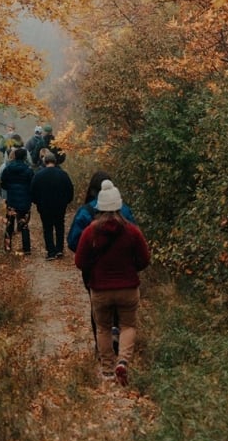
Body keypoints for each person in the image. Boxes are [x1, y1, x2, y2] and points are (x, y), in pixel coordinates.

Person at [74, 180, 150, 386]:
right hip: (128, 288)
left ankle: (107, 369)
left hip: (100, 289)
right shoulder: (132, 231)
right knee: (128, 325)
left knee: (103, 328)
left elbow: (79, 261)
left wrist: (94, 271)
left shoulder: (90, 232)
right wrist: (131, 269)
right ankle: (123, 361)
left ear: (99, 206)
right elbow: (145, 259)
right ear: (118, 205)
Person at [66, 169, 136, 254]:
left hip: (93, 264)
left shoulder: (85, 211)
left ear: (92, 190)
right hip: (123, 263)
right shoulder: (125, 210)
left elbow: (73, 242)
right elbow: (134, 237)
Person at [29, 149, 75, 259]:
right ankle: (59, 249)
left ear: (45, 162)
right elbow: (70, 189)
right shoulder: (63, 174)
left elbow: (32, 191)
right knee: (60, 226)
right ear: (55, 162)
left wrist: (37, 202)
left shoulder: (38, 175)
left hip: (44, 206)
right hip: (60, 205)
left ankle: (51, 251)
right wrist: (67, 201)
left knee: (47, 227)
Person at [0, 147, 34, 254]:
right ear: (24, 157)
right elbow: (32, 185)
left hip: (12, 199)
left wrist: (9, 188)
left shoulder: (7, 169)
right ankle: (26, 249)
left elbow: (3, 183)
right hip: (25, 200)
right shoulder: (28, 170)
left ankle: (7, 248)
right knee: (24, 224)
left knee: (9, 224)